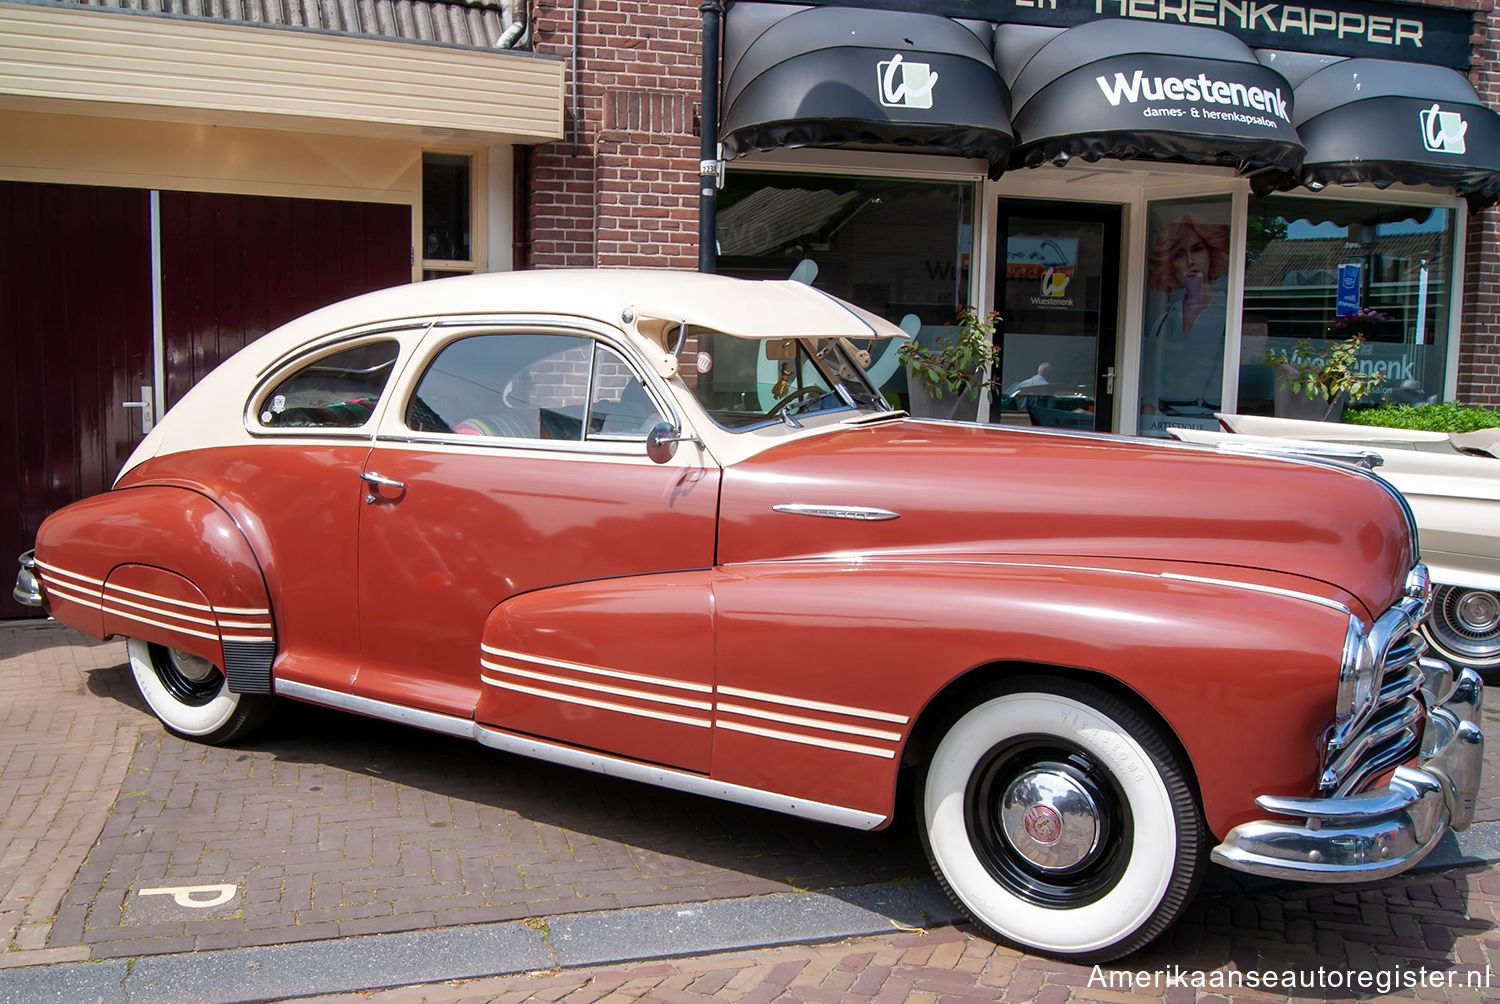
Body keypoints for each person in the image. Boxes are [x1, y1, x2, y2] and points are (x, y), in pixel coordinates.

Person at [1139, 214, 1230, 435]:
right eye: (1180, 254)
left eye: (1197, 249)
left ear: (1211, 252)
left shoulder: (1229, 315)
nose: (1190, 260)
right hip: (1162, 424)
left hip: (1212, 423)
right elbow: (1148, 374)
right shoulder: (1163, 319)